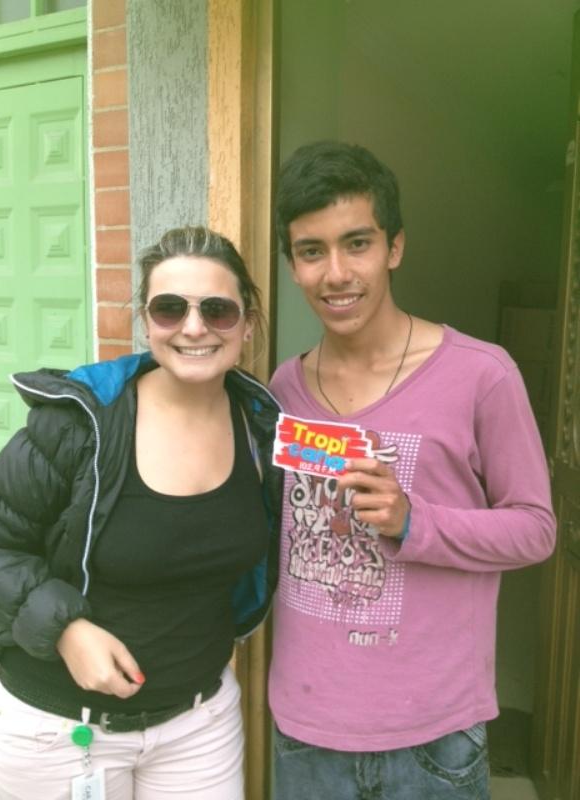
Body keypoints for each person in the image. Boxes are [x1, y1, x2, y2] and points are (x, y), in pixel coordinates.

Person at [268, 141, 556, 800]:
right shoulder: (284, 389)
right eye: (312, 251)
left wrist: (413, 521)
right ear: (292, 266)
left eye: (357, 244)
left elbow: (535, 529)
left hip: (433, 735)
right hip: (307, 729)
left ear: (394, 247)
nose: (336, 273)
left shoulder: (482, 375)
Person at [0, 225, 282, 800]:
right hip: (60, 733)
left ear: (247, 323)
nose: (193, 327)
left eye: (217, 310)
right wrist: (65, 629)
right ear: (147, 321)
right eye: (170, 308)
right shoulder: (79, 423)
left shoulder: (261, 427)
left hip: (200, 724)